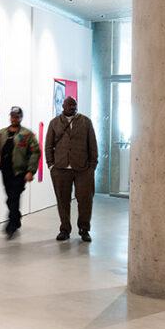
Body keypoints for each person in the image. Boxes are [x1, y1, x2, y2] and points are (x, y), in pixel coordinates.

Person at [44, 96, 98, 242]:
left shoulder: (86, 122)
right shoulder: (54, 123)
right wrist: (51, 165)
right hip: (61, 168)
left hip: (83, 169)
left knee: (85, 200)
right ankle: (65, 229)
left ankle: (84, 229)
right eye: (69, 105)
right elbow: (48, 146)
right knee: (62, 200)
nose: (71, 107)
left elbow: (92, 145)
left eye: (74, 105)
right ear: (63, 106)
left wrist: (92, 166)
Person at [0, 106, 40, 238]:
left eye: (17, 116)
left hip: (20, 172)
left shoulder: (27, 135)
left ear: (20, 118)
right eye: (12, 116)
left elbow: (35, 153)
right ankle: (16, 217)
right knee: (10, 199)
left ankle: (12, 225)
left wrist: (31, 171)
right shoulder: (2, 133)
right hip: (6, 171)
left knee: (14, 197)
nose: (14, 119)